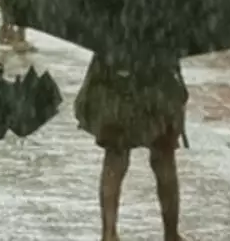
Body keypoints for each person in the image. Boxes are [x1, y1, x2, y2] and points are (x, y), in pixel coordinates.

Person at [76, 49, 189, 241]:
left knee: (116, 155)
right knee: (163, 157)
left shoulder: (110, 24)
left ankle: (109, 233)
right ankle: (171, 234)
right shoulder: (166, 26)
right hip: (158, 76)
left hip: (116, 75)